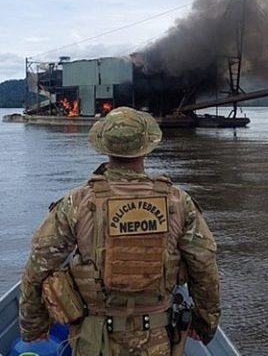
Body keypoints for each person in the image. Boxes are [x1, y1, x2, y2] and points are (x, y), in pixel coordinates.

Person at [19, 106, 221, 356]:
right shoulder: (178, 202)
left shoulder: (77, 202)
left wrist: (33, 325)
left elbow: (40, 264)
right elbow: (204, 266)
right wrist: (205, 324)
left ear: (104, 147)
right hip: (158, 336)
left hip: (95, 340)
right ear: (146, 147)